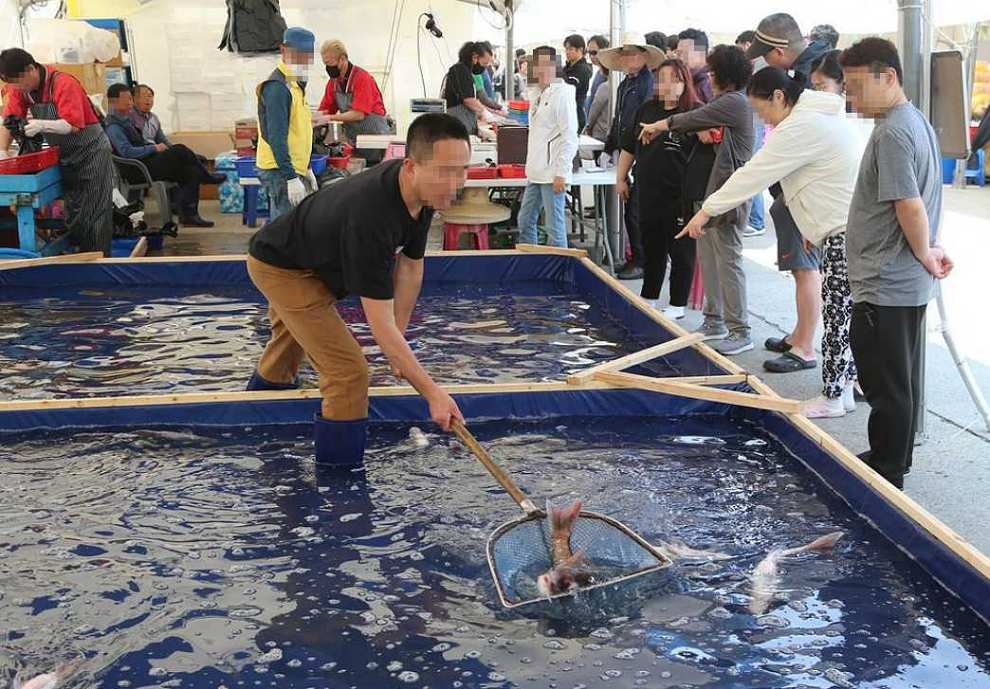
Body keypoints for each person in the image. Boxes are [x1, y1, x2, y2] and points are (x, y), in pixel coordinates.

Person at [245, 113, 470, 465]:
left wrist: (402, 336)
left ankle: (251, 432)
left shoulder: (423, 196)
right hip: (283, 267)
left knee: (284, 355)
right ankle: (339, 481)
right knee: (349, 373)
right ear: (410, 166)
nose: (456, 184)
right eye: (446, 171)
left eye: (462, 170)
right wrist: (433, 393)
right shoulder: (373, 217)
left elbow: (411, 268)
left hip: (315, 259)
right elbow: (378, 326)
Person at [680, 67, 865, 417]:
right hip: (842, 228)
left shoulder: (801, 126)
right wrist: (814, 232)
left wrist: (705, 211)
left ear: (779, 97)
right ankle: (843, 393)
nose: (762, 118)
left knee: (838, 314)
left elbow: (753, 174)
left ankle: (831, 397)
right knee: (845, 314)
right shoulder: (819, 117)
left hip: (845, 231)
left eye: (762, 110)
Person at [841, 38, 951, 489]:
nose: (850, 98)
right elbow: (923, 196)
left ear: (888, 77)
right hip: (901, 276)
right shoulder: (914, 121)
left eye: (856, 85)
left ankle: (887, 472)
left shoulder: (892, 132)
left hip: (887, 278)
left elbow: (908, 203)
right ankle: (892, 457)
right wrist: (931, 248)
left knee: (886, 384)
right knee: (897, 378)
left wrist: (926, 250)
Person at [639, 44, 754, 355]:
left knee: (728, 261)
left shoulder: (734, 103)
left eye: (715, 72)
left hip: (728, 195)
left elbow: (690, 119)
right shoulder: (726, 102)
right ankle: (714, 320)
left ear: (725, 75)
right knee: (710, 258)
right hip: (708, 194)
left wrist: (656, 126)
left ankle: (740, 329)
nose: (711, 76)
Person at [746, 13, 832, 374]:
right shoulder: (813, 68)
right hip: (798, 189)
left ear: (781, 50)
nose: (766, 61)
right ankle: (800, 333)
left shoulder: (815, 76)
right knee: (802, 268)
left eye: (767, 54)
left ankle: (805, 347)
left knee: (805, 268)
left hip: (809, 191)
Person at [0, 48, 115, 255]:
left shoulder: (63, 83)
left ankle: (99, 263)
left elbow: (73, 125)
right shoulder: (20, 89)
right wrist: (2, 150)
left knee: (95, 212)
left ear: (30, 69)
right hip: (65, 154)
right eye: (11, 83)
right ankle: (80, 258)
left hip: (92, 152)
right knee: (75, 212)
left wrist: (41, 125)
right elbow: (9, 121)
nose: (16, 87)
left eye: (18, 81)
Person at [618, 58, 699, 319]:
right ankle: (649, 296)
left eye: (674, 79)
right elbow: (630, 147)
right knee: (651, 247)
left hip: (681, 195)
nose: (667, 84)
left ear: (685, 82)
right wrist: (621, 178)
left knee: (681, 251)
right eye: (662, 78)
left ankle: (677, 304)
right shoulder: (647, 109)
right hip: (647, 190)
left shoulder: (695, 112)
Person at [104, 83, 225, 227]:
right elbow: (127, 152)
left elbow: (152, 141)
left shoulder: (127, 120)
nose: (131, 102)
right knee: (180, 150)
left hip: (146, 161)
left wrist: (154, 148)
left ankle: (189, 216)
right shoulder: (114, 126)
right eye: (128, 99)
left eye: (131, 99)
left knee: (190, 171)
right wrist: (153, 148)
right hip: (138, 169)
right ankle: (206, 176)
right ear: (114, 101)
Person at [598, 33, 664, 280]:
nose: (627, 58)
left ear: (645, 56)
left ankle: (641, 260)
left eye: (633, 53)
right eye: (624, 54)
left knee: (636, 211)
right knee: (631, 209)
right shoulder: (625, 84)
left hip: (644, 152)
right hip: (628, 150)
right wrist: (609, 146)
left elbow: (645, 120)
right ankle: (635, 256)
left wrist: (630, 151)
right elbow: (619, 120)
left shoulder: (649, 83)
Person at [518, 46, 579, 249]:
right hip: (535, 171)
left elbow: (570, 136)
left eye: (546, 65)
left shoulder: (563, 94)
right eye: (537, 65)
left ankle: (559, 273)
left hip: (553, 173)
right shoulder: (538, 93)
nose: (541, 70)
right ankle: (532, 264)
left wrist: (561, 172)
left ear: (555, 67)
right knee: (524, 221)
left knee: (554, 228)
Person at [255, 27, 318, 221]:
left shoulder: (295, 85)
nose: (303, 61)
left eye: (307, 56)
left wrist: (306, 166)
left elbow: (299, 130)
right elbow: (276, 137)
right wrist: (290, 176)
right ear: (284, 51)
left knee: (292, 228)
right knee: (283, 230)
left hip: (292, 167)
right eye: (299, 55)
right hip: (279, 170)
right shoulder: (278, 88)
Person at [317, 40, 391, 142]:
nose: (328, 67)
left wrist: (329, 118)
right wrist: (312, 118)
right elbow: (325, 110)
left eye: (329, 63)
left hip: (377, 139)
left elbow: (359, 114)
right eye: (325, 63)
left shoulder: (362, 78)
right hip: (354, 140)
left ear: (342, 59)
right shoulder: (333, 83)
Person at [736, 30, 767, 238]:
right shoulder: (759, 65)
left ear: (748, 44)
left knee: (751, 170)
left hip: (754, 123)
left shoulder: (758, 65)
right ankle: (755, 219)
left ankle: (756, 221)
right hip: (755, 123)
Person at [442, 41, 504, 135]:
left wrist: (491, 112)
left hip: (464, 120)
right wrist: (486, 114)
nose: (484, 67)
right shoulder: (461, 70)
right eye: (484, 63)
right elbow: (469, 100)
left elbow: (474, 101)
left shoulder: (466, 71)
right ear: (475, 57)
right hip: (458, 122)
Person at [563, 34, 592, 133]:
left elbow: (569, 87)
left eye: (570, 49)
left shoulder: (583, 69)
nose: (567, 52)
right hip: (565, 115)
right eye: (566, 49)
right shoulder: (567, 68)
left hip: (575, 116)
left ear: (580, 50)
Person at [676, 29, 713, 104]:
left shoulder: (709, 84)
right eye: (678, 53)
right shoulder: (685, 78)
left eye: (685, 53)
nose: (679, 58)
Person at [584, 35, 609, 121]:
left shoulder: (612, 76)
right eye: (589, 53)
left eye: (594, 53)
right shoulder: (599, 72)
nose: (591, 56)